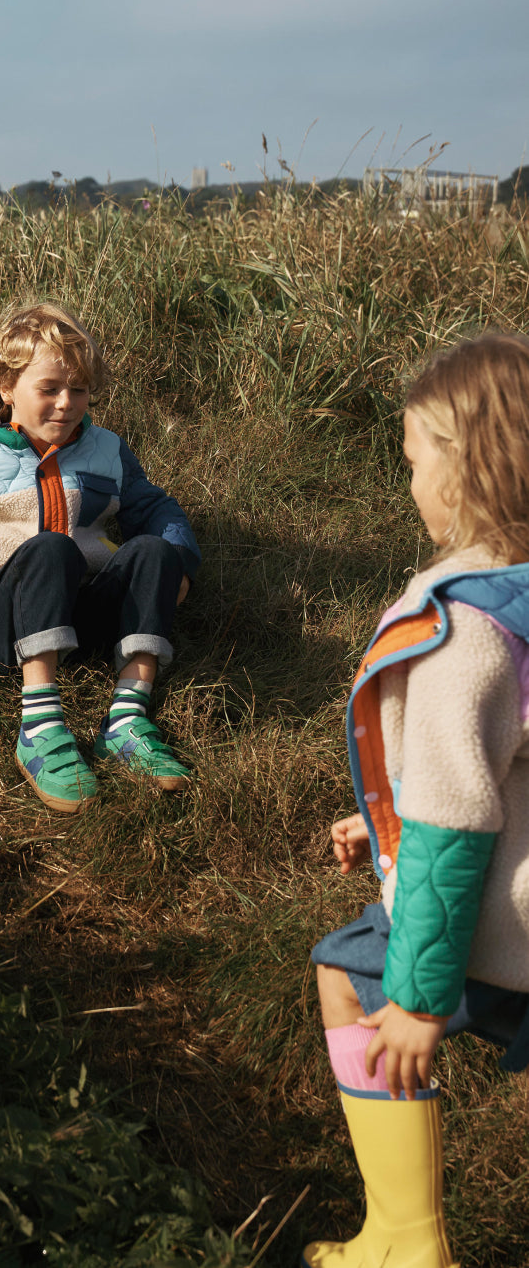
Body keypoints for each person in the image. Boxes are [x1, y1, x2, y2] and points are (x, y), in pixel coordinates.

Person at [304, 332, 529, 1268]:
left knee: (350, 975)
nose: (408, 487)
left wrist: (422, 997)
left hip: (500, 922)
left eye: (411, 461)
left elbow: (455, 817)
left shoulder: (460, 629)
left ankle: (404, 1240)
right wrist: (385, 812)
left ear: (463, 466)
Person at [0, 299, 200, 814]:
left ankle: (128, 718)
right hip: (0, 616)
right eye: (48, 389)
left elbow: (151, 507)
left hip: (82, 612)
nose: (67, 404)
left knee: (156, 550)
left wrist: (178, 557)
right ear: (5, 387)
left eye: (80, 390)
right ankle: (40, 726)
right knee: (51, 548)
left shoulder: (107, 449)